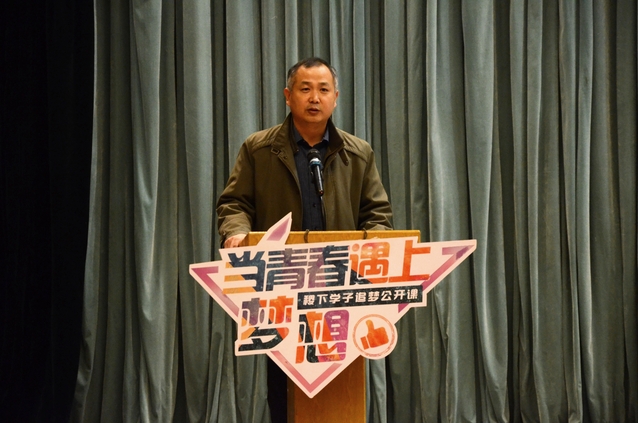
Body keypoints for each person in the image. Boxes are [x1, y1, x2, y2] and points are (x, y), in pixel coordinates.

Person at [216, 57, 393, 421]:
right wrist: (236, 232)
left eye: (323, 90)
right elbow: (235, 204)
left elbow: (377, 214)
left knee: (339, 386)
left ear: (336, 98)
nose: (315, 98)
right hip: (283, 288)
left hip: (341, 288)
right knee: (285, 390)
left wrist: (377, 242)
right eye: (305, 89)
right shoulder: (259, 149)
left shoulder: (358, 153)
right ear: (288, 95)